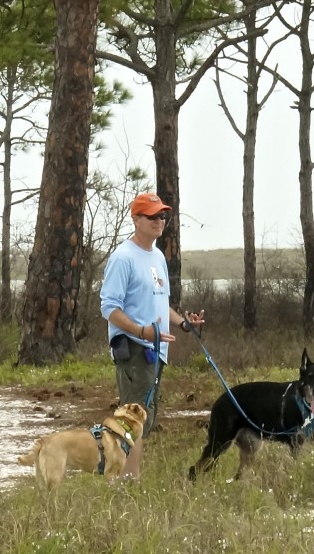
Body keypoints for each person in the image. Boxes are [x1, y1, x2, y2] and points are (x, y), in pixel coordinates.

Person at [99, 191, 205, 477]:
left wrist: (184, 323)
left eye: (163, 216)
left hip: (156, 352)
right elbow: (109, 308)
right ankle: (122, 483)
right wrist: (141, 332)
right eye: (153, 216)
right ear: (136, 219)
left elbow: (160, 304)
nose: (160, 221)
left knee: (143, 419)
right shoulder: (123, 258)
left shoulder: (157, 256)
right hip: (134, 349)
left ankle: (129, 480)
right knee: (132, 419)